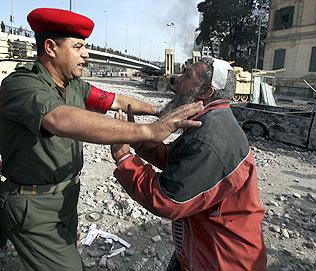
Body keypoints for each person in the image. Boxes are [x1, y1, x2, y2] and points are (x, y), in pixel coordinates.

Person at [0, 8, 203, 271]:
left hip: (65, 198)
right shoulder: (21, 85)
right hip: (32, 204)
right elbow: (59, 119)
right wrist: (150, 131)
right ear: (50, 47)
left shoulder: (74, 85)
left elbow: (115, 100)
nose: (86, 54)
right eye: (79, 47)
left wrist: (160, 111)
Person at [111, 57, 267, 271]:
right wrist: (138, 139)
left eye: (187, 76)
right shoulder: (212, 119)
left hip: (222, 261)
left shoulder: (209, 138)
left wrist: (124, 158)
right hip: (198, 251)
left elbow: (167, 198)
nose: (177, 80)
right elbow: (179, 161)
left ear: (206, 92)